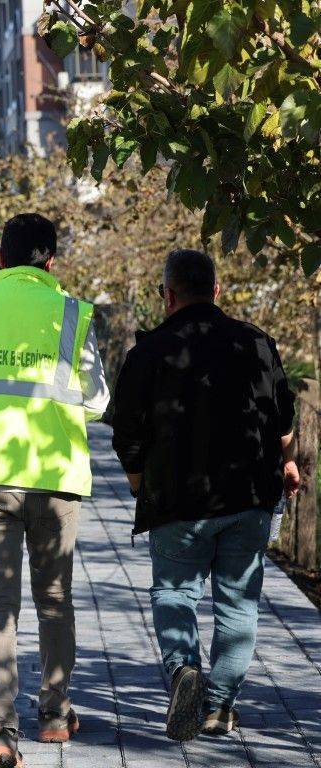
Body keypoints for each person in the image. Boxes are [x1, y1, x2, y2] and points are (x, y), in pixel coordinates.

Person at [0, 213, 109, 768]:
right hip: (54, 475)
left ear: (2, 258)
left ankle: (0, 735)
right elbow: (99, 401)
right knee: (54, 603)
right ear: (51, 261)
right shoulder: (71, 312)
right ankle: (55, 718)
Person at [108, 248, 298, 742]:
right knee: (239, 605)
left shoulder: (148, 352)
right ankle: (218, 708)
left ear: (167, 295)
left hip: (177, 501)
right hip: (250, 497)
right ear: (217, 291)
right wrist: (287, 463)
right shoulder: (257, 343)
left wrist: (137, 483)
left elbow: (126, 432)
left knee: (174, 593)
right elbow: (282, 422)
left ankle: (183, 671)